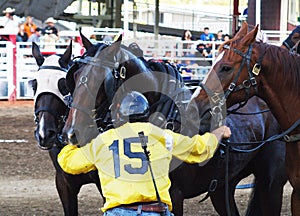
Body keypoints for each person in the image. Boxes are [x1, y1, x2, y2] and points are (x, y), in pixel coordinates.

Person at [58, 91, 231, 215]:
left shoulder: (103, 140)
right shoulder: (161, 136)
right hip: (156, 210)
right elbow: (200, 149)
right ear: (147, 114)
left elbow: (69, 164)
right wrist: (218, 132)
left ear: (119, 115)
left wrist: (71, 142)